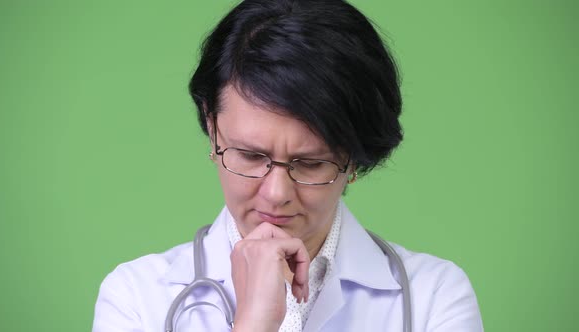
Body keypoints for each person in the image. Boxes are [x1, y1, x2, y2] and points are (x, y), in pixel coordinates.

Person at [92, 0, 484, 331]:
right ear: (213, 129)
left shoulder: (434, 298)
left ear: (353, 159)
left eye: (311, 163)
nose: (276, 194)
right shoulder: (136, 298)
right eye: (250, 156)